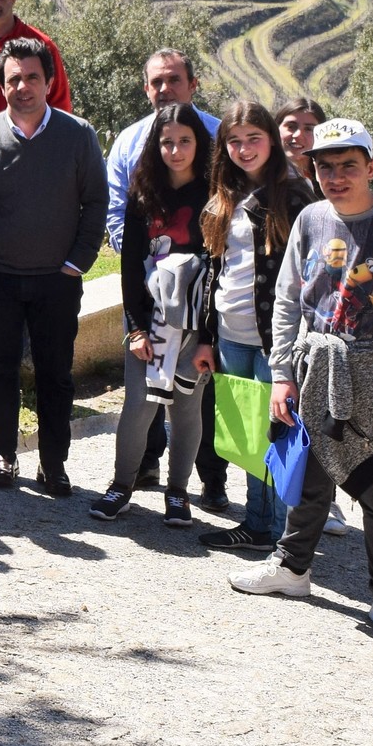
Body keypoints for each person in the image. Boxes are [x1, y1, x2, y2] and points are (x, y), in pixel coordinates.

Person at [229, 119, 373, 645]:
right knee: (309, 474)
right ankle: (292, 567)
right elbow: (286, 299)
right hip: (314, 365)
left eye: (348, 166)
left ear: (372, 168)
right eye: (325, 167)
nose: (336, 177)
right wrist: (281, 372)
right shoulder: (310, 218)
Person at [0, 38, 105, 496]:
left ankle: (53, 463)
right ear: (2, 86)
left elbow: (96, 202)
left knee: (56, 375)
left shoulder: (78, 135)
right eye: (14, 79)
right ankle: (3, 454)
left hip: (57, 280)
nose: (23, 86)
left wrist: (78, 262)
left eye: (32, 77)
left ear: (49, 82)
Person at [192, 103, 317, 553]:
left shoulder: (295, 195)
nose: (244, 149)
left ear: (271, 141)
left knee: (277, 432)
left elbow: (310, 274)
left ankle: (282, 532)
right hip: (230, 334)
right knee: (246, 432)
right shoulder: (223, 195)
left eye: (254, 139)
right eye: (234, 141)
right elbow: (214, 271)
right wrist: (206, 337)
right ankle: (257, 523)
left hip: (275, 338)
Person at [103, 49, 225, 505]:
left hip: (197, 314)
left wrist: (208, 331)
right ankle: (128, 480)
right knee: (140, 401)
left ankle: (192, 489)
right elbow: (122, 229)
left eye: (174, 79)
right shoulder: (138, 171)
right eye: (156, 82)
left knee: (191, 406)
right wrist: (139, 311)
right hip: (148, 307)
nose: (175, 150)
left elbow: (219, 257)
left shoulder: (216, 171)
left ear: (193, 84)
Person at [276, 97, 324, 190]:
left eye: (308, 129)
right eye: (291, 126)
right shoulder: (262, 179)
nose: (298, 135)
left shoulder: (330, 178)